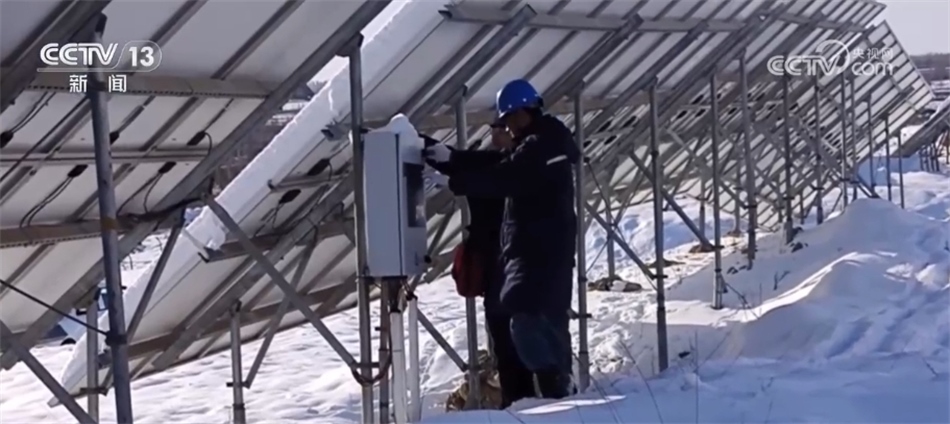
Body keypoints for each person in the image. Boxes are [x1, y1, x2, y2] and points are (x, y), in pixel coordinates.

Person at [424, 79, 580, 399]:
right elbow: (498, 164)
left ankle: (555, 389)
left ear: (522, 113)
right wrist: (451, 158)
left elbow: (505, 175)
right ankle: (551, 391)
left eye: (507, 120)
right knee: (533, 321)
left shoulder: (541, 147)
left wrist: (453, 181)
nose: (505, 128)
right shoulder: (543, 142)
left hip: (539, 254)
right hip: (536, 253)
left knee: (529, 322)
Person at [422, 124, 537, 408]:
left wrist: (452, 179)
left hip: (509, 266)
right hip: (501, 266)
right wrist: (418, 141)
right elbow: (459, 161)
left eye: (501, 127)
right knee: (506, 337)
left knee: (510, 337)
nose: (494, 132)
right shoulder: (498, 162)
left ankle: (521, 400)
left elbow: (478, 175)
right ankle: (519, 398)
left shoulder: (515, 168)